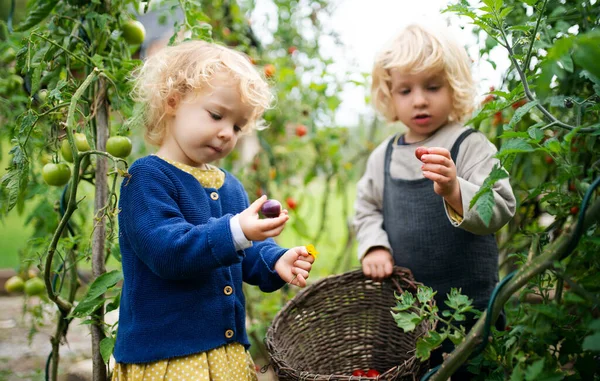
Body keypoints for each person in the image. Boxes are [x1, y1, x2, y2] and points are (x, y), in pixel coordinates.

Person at [112, 40, 314, 380]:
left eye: (237, 126)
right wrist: (237, 231)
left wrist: (274, 259)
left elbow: (242, 251)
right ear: (173, 102)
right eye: (217, 115)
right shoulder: (146, 178)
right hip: (168, 358)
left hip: (225, 355)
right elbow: (168, 251)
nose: (226, 133)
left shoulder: (229, 185)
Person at [353, 24, 516, 376]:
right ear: (389, 97)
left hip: (470, 315)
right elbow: (367, 209)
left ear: (453, 88)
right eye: (405, 90)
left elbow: (501, 206)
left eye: (432, 86)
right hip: (407, 320)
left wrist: (455, 189)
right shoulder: (383, 156)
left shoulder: (470, 145)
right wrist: (374, 246)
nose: (420, 100)